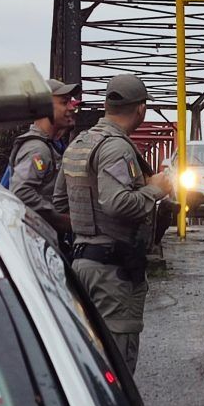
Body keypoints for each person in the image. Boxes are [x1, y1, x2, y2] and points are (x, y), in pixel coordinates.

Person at [54, 74, 173, 374]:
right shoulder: (116, 148)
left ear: (107, 105)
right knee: (117, 368)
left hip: (83, 265)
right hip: (113, 275)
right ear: (141, 110)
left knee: (89, 363)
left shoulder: (80, 143)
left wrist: (88, 226)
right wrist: (157, 189)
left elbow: (59, 202)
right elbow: (117, 203)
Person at [8, 78, 79, 233]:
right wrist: (60, 219)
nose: (71, 108)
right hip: (33, 236)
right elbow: (21, 193)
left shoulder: (53, 145)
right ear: (44, 107)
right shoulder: (37, 149)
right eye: (64, 102)